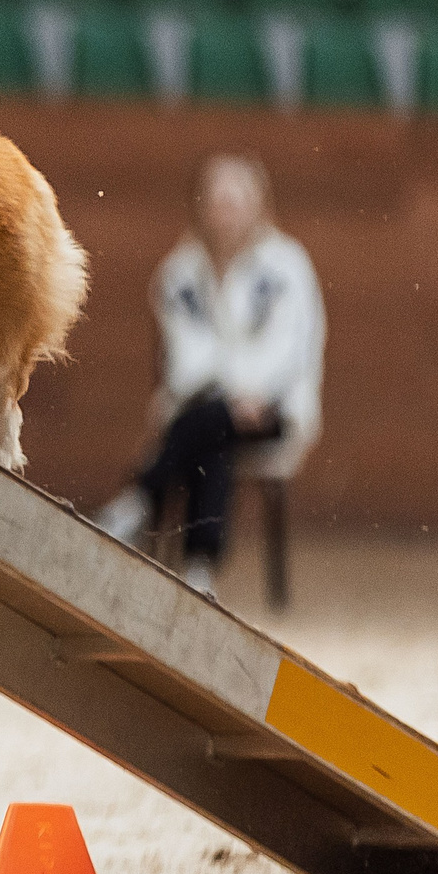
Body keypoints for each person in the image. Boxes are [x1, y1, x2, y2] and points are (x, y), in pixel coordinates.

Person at [94, 154, 323, 599]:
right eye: (218, 200)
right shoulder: (179, 273)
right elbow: (185, 357)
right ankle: (200, 569)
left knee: (212, 427)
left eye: (236, 201)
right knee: (216, 433)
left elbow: (290, 345)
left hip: (271, 408)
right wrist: (231, 395)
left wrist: (251, 392)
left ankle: (140, 498)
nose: (227, 211)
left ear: (258, 205)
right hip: (204, 408)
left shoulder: (287, 266)